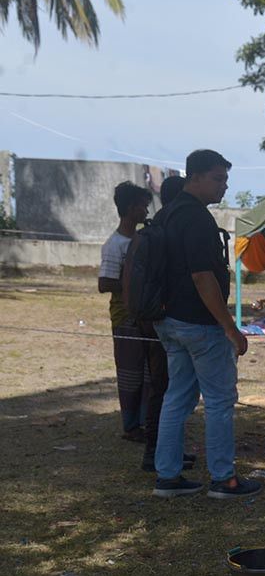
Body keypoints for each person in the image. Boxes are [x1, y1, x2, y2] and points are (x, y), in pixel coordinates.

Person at [152, 149, 260, 500]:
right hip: (200, 324)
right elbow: (203, 277)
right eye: (217, 178)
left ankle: (167, 476)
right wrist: (230, 327)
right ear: (193, 177)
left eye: (226, 179)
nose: (224, 186)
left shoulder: (166, 214)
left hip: (169, 322)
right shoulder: (196, 218)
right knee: (218, 401)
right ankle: (224, 479)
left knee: (176, 398)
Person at [136, 175, 192, 473]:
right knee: (163, 388)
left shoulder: (161, 223)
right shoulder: (168, 225)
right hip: (162, 318)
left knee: (170, 388)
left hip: (158, 316)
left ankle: (169, 451)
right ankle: (155, 453)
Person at [99, 181, 153, 442]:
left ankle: (145, 422)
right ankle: (131, 426)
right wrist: (134, 281)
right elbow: (104, 283)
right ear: (132, 208)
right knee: (131, 373)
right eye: (143, 206)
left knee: (147, 372)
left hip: (143, 315)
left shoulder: (142, 239)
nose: (146, 211)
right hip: (125, 317)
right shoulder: (115, 245)